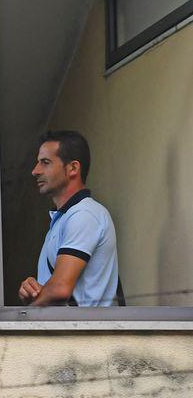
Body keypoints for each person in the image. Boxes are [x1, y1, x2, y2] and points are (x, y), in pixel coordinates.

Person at [18, 130, 120, 307]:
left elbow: (60, 289)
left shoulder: (84, 214)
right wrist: (33, 291)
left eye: (45, 162)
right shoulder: (65, 218)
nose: (35, 171)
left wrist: (24, 318)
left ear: (73, 168)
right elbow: (55, 290)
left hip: (85, 332)